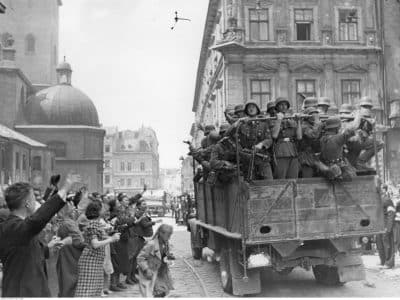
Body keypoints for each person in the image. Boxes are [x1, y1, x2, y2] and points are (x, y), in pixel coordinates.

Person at [0, 173, 81, 297]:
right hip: (22, 292)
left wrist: (49, 247)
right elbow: (38, 219)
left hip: (33, 290)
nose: (36, 201)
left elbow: (27, 251)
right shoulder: (13, 227)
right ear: (27, 203)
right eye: (33, 197)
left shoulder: (19, 226)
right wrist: (65, 188)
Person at [75, 201, 121, 297]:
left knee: (94, 291)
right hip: (90, 261)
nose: (105, 209)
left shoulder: (96, 223)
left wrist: (111, 237)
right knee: (86, 291)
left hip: (95, 261)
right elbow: (95, 244)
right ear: (97, 211)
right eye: (102, 208)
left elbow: (100, 238)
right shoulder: (93, 224)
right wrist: (111, 239)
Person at [236, 101, 273, 180]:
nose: (251, 109)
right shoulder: (242, 125)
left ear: (257, 109)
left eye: (253, 107)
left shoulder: (263, 124)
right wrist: (238, 122)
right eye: (249, 107)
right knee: (251, 185)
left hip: (262, 158)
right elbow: (235, 140)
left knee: (268, 181)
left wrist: (261, 144)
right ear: (246, 110)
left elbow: (269, 140)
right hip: (248, 160)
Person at [56, 201, 85, 297]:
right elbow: (79, 242)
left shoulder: (64, 222)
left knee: (65, 283)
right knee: (70, 284)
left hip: (66, 256)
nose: (75, 210)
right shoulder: (69, 224)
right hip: (71, 258)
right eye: (72, 207)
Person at [137, 224, 174, 297]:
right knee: (158, 293)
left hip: (163, 272)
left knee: (163, 292)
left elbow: (164, 255)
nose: (169, 237)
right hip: (153, 272)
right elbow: (140, 258)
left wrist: (169, 257)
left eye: (170, 235)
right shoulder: (151, 244)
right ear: (160, 233)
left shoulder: (166, 243)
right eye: (168, 235)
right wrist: (146, 269)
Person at [319, 116, 361, 181]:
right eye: (339, 127)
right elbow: (354, 127)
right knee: (353, 177)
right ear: (336, 128)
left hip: (326, 168)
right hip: (338, 169)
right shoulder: (337, 138)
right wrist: (359, 114)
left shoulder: (322, 139)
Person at [129, 200, 158, 286]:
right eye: (143, 204)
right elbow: (144, 224)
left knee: (139, 257)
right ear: (138, 206)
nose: (146, 205)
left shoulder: (144, 213)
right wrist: (153, 222)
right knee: (136, 257)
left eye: (146, 203)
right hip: (139, 238)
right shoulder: (139, 214)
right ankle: (131, 276)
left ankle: (133, 275)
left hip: (143, 237)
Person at [272, 97, 302, 179]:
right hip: (281, 151)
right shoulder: (273, 119)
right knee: (280, 177)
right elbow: (274, 135)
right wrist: (278, 120)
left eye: (285, 104)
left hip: (293, 151)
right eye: (281, 105)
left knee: (293, 178)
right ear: (277, 107)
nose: (284, 106)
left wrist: (298, 121)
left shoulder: (291, 119)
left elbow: (299, 137)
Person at [298, 107, 324, 178]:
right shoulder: (304, 126)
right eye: (312, 115)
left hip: (315, 156)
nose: (315, 117)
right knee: (308, 178)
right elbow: (313, 135)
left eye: (316, 115)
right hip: (306, 157)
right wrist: (317, 123)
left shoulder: (314, 125)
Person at [376, 193, 396, 269]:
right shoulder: (377, 200)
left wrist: (388, 227)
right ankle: (383, 261)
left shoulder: (387, 200)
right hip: (379, 227)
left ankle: (389, 263)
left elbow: (391, 214)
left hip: (386, 226)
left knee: (388, 245)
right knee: (380, 245)